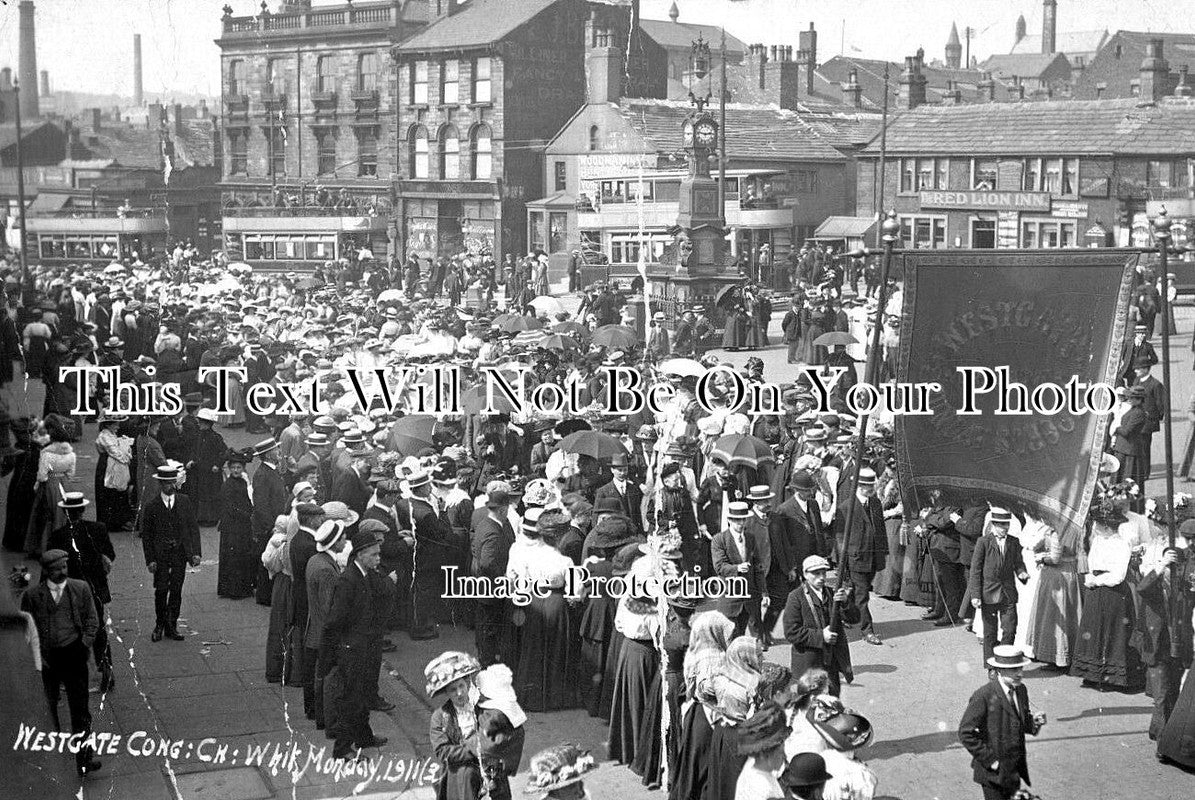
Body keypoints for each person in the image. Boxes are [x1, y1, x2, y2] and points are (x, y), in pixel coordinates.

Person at [21, 549, 103, 775]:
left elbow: (92, 621)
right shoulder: (32, 596)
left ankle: (84, 758)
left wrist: (84, 645)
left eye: (64, 568)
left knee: (80, 711)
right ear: (46, 571)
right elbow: (28, 629)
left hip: (74, 655)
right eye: (56, 569)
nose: (61, 572)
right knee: (48, 711)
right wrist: (37, 657)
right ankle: (51, 761)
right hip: (48, 660)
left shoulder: (80, 589)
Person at [323, 528, 388, 759]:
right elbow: (335, 619)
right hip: (352, 648)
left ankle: (363, 737)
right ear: (360, 554)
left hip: (363, 645)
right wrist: (343, 646)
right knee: (350, 698)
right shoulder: (348, 580)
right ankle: (342, 749)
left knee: (360, 695)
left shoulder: (365, 574)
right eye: (374, 554)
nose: (378, 558)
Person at [48, 492, 116, 692]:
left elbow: (51, 567)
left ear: (65, 511)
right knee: (98, 632)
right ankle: (107, 674)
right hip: (95, 588)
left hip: (71, 590)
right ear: (83, 509)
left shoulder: (58, 536)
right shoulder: (98, 528)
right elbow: (110, 554)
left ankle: (71, 677)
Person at [958, 645, 1046, 800]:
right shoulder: (983, 695)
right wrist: (990, 760)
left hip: (1014, 769)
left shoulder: (1021, 690)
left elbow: (1020, 722)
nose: (1019, 674)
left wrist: (1034, 724)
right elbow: (965, 733)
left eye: (1020, 668)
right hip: (993, 773)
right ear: (999, 670)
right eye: (1013, 670)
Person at [140, 464, 202, 642]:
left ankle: (171, 625)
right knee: (161, 590)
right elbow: (147, 536)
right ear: (160, 484)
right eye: (165, 483)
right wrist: (150, 559)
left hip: (179, 554)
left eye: (171, 482)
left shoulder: (184, 501)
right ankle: (159, 624)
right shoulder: (152, 506)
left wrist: (196, 553)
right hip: (160, 555)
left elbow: (193, 528)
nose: (169, 486)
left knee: (176, 589)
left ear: (175, 482)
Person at [784, 555, 858, 696]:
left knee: (832, 702)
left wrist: (845, 603)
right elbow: (791, 632)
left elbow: (854, 619)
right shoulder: (795, 597)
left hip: (831, 663)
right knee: (808, 706)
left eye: (824, 573)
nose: (821, 577)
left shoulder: (832, 594)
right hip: (808, 664)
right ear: (805, 574)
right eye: (816, 573)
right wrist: (821, 636)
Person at [968, 508, 1029, 665]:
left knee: (1010, 629)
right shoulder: (983, 542)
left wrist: (1022, 573)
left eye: (1006, 525)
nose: (1005, 528)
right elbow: (975, 570)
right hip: (988, 594)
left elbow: (1018, 563)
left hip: (1008, 593)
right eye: (1001, 525)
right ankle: (991, 666)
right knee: (990, 633)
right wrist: (975, 595)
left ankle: (1003, 661)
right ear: (994, 525)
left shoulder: (1013, 542)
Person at [305, 518, 350, 730]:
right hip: (325, 632)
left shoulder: (315, 560)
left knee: (319, 673)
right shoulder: (326, 569)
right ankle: (325, 718)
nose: (346, 540)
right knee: (327, 676)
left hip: (316, 628)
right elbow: (329, 606)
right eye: (343, 537)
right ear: (333, 542)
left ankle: (316, 713)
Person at [833, 467, 886, 645]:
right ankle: (867, 631)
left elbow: (880, 530)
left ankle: (844, 614)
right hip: (855, 558)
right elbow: (840, 538)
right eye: (865, 485)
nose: (869, 488)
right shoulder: (846, 507)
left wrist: (883, 552)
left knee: (857, 592)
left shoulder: (876, 503)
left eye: (871, 485)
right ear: (858, 485)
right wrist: (842, 563)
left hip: (873, 557)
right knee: (863, 595)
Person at [426, 650, 484, 800]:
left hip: (487, 762)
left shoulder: (481, 708)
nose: (459, 693)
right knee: (467, 775)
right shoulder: (440, 717)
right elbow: (442, 751)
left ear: (468, 684)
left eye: (461, 686)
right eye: (453, 690)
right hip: (458, 767)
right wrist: (472, 749)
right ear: (447, 692)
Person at [711, 501, 768, 635]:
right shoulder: (719, 540)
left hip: (750, 598)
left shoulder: (750, 538)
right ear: (729, 520)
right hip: (730, 598)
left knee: (748, 640)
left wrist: (764, 592)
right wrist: (737, 568)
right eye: (737, 520)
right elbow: (719, 566)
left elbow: (758, 567)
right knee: (730, 639)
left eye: (743, 520)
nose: (741, 523)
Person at [217, 450, 256, 599]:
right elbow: (230, 507)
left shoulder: (241, 482)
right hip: (233, 526)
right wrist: (248, 514)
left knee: (241, 556)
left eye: (239, 468)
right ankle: (234, 590)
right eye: (233, 468)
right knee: (234, 557)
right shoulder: (228, 485)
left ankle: (241, 587)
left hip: (241, 526)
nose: (236, 470)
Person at [734, 701, 791, 800]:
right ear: (765, 754)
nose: (784, 756)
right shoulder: (766, 790)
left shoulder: (750, 766)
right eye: (780, 752)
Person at [523, 744, 598, 799]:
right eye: (571, 785)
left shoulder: (582, 796)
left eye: (580, 782)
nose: (579, 791)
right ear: (555, 792)